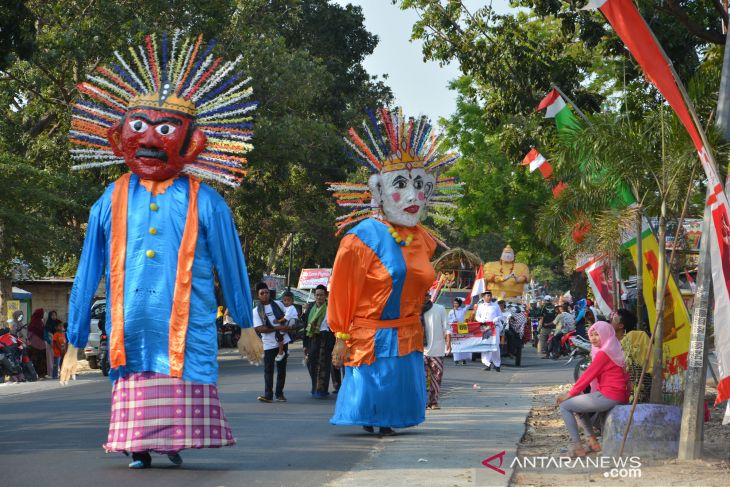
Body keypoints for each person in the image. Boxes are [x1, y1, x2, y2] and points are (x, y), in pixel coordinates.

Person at [62, 33, 262, 470]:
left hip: (187, 317)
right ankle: (137, 444)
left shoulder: (205, 201)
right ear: (119, 137)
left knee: (179, 374)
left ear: (192, 143)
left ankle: (173, 438)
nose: (150, 138)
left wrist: (246, 324)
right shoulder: (108, 200)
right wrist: (76, 340)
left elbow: (232, 265)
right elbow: (86, 272)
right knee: (132, 372)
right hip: (129, 319)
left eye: (165, 129)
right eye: (139, 126)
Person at [327, 107, 460, 436]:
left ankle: (388, 418)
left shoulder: (422, 239)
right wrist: (341, 336)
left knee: (396, 385)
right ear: (379, 192)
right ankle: (373, 416)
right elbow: (342, 291)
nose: (413, 195)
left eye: (419, 185)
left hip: (407, 333)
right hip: (370, 334)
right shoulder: (360, 239)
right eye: (401, 185)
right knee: (374, 386)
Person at [556, 321, 629, 457]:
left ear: (606, 335)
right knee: (578, 405)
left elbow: (588, 375)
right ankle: (592, 442)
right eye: (592, 334)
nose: (593, 338)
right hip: (615, 394)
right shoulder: (613, 348)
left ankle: (577, 447)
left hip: (610, 395)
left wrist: (570, 394)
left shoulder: (604, 353)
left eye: (598, 335)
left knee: (565, 406)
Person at [254, 282, 292, 402]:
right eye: (262, 293)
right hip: (268, 344)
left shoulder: (279, 304)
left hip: (283, 341)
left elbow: (290, 315)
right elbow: (260, 329)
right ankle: (268, 395)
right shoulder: (256, 311)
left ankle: (280, 394)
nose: (265, 295)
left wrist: (289, 326)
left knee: (282, 369)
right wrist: (278, 328)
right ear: (258, 295)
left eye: (267, 292)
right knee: (268, 370)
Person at [612, 308, 652, 403]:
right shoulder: (613, 340)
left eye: (614, 318)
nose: (611, 320)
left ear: (621, 325)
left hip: (634, 386)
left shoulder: (633, 337)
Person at [304, 285, 335, 397]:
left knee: (324, 365)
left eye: (321, 295)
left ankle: (322, 390)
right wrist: (305, 344)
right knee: (311, 363)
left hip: (326, 338)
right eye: (317, 295)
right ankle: (314, 387)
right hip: (312, 338)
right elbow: (305, 325)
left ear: (325, 295)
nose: (319, 297)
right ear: (314, 295)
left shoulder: (330, 307)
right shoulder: (310, 307)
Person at [422, 292, 451, 409]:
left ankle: (433, 402)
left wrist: (448, 342)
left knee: (436, 378)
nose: (422, 298)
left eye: (425, 295)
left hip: (437, 349)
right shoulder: (413, 310)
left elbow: (446, 328)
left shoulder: (439, 308)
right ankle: (422, 402)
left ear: (429, 297)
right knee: (420, 379)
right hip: (419, 351)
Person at [476, 291, 502, 371]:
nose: (489, 297)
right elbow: (477, 316)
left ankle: (497, 364)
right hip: (484, 328)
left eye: (490, 296)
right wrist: (481, 320)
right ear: (484, 297)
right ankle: (487, 363)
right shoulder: (480, 306)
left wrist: (496, 318)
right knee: (485, 345)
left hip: (494, 328)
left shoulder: (495, 306)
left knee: (495, 345)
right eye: (487, 296)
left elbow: (500, 316)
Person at [277, 291, 299, 362]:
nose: (286, 302)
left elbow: (286, 318)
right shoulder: (285, 307)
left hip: (292, 322)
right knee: (283, 336)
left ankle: (281, 352)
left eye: (289, 300)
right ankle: (286, 350)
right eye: (285, 300)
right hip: (288, 323)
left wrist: (277, 321)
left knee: (280, 335)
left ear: (292, 301)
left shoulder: (291, 307)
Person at [26, 308, 47, 379]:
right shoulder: (35, 322)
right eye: (42, 313)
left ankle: (41, 374)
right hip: (35, 344)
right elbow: (30, 332)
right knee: (37, 359)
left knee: (40, 359)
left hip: (39, 343)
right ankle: (36, 374)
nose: (43, 315)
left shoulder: (39, 321)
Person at [448, 298, 469, 365]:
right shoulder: (451, 311)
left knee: (463, 343)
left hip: (462, 327)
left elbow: (468, 305)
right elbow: (448, 320)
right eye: (454, 303)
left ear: (459, 304)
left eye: (456, 303)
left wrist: (463, 300)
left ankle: (464, 359)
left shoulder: (463, 310)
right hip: (454, 327)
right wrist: (452, 321)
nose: (455, 304)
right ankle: (456, 359)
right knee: (455, 343)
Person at [44, 311, 62, 377]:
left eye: (55, 315)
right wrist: (49, 342)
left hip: (59, 343)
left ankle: (59, 372)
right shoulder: (48, 325)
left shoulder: (58, 323)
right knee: (51, 359)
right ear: (50, 316)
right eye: (52, 315)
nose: (54, 317)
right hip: (51, 344)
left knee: (59, 359)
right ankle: (52, 373)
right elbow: (45, 335)